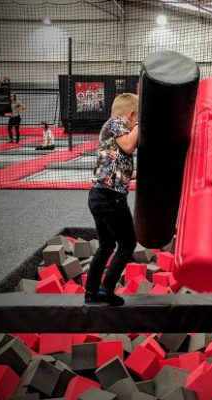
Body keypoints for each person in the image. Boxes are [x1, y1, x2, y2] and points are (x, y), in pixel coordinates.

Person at [85, 93, 139, 305]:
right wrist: (140, 126)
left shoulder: (111, 130)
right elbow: (128, 145)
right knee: (127, 244)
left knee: (107, 245)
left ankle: (91, 292)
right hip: (110, 198)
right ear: (131, 114)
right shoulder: (116, 122)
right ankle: (106, 290)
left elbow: (119, 170)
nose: (134, 125)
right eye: (135, 121)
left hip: (99, 195)